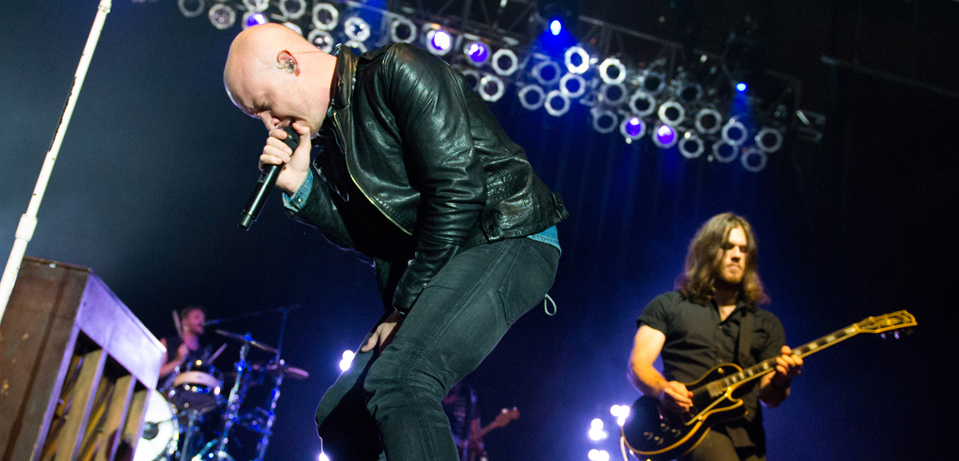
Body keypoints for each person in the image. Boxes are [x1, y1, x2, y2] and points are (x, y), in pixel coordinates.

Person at [222, 23, 567, 461]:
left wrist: (403, 308)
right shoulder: (332, 140)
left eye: (265, 106)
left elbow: (459, 192)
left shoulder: (395, 71)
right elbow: (378, 240)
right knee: (341, 416)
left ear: (289, 63)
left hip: (506, 233)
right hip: (445, 260)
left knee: (402, 381)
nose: (270, 124)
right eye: (259, 118)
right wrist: (303, 187)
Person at [628, 213, 803, 461]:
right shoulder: (669, 306)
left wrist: (782, 380)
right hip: (689, 433)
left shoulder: (766, 324)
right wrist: (663, 389)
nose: (736, 255)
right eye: (727, 247)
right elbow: (638, 365)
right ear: (707, 251)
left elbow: (769, 398)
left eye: (743, 249)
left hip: (748, 440)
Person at [158, 305, 209, 382]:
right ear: (184, 323)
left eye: (203, 319)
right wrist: (178, 361)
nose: (202, 321)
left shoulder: (203, 354)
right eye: (197, 317)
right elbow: (154, 374)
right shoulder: (166, 343)